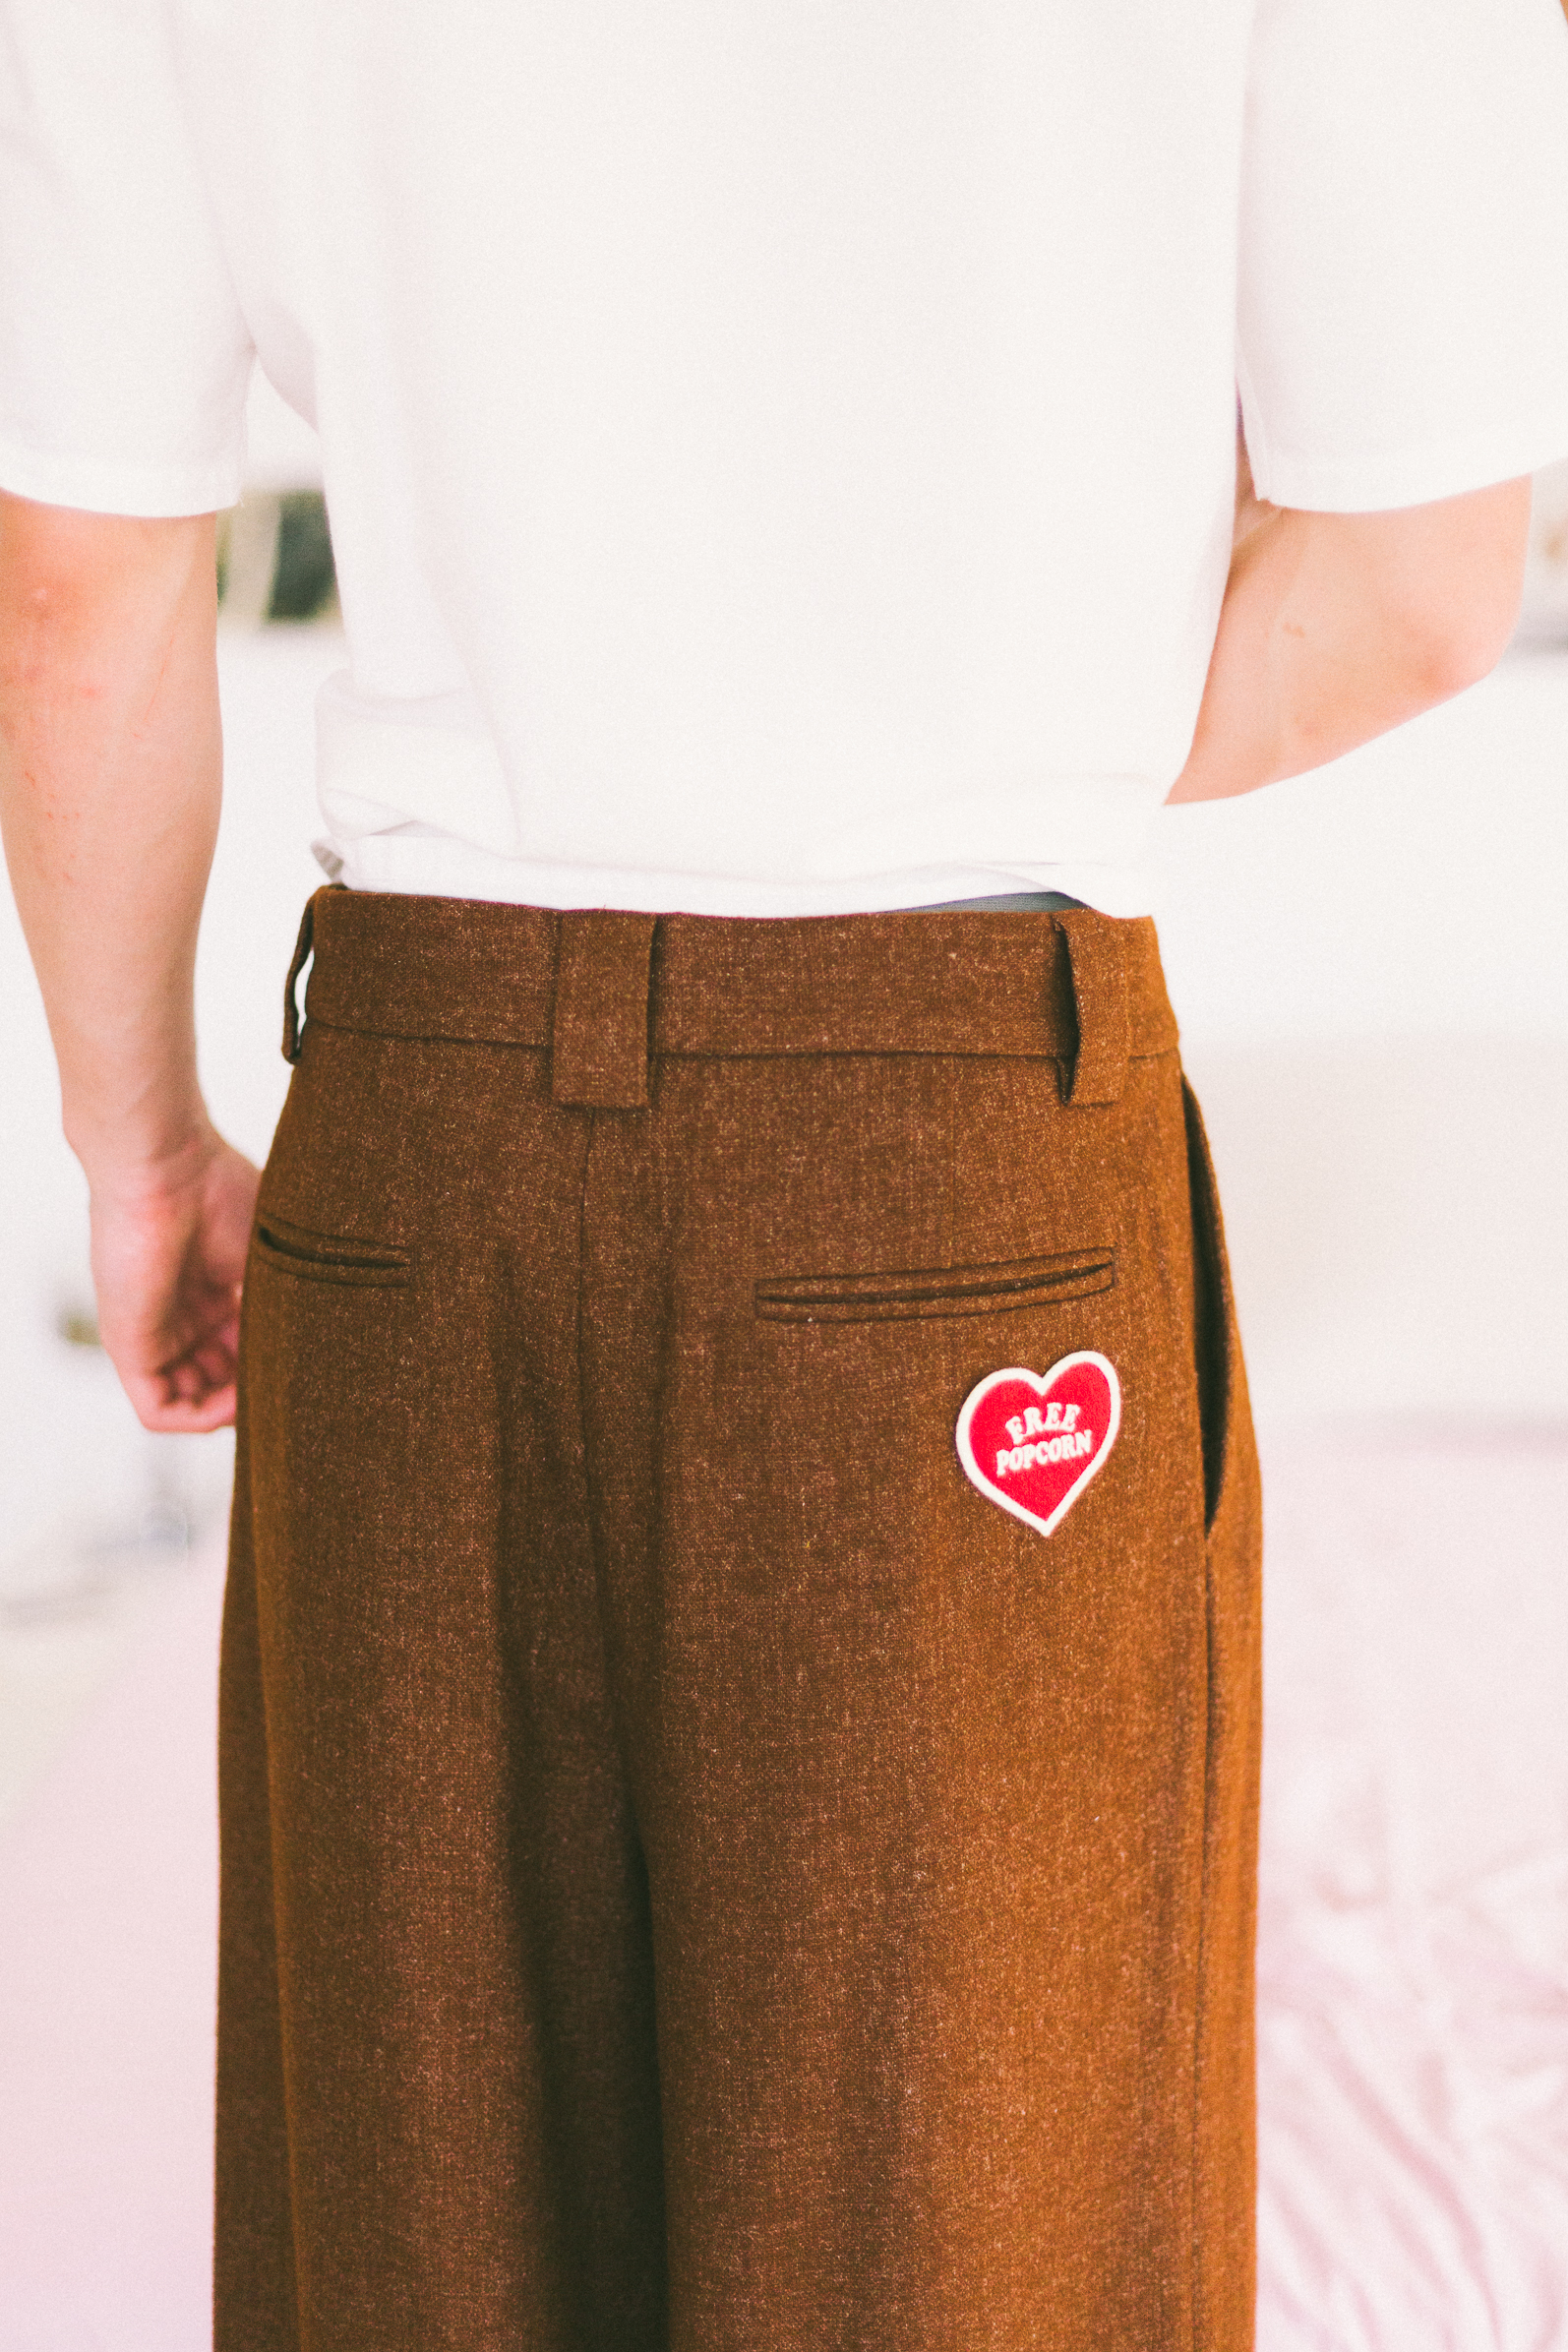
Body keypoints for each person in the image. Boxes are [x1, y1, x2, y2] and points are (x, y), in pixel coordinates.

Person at [3, 2, 1566, 2344]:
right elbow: (1427, 577)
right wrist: (968, 749)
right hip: (958, 1150)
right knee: (975, 2245)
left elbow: (76, 587)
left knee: (414, 2239)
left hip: (416, 1148)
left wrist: (140, 1147)